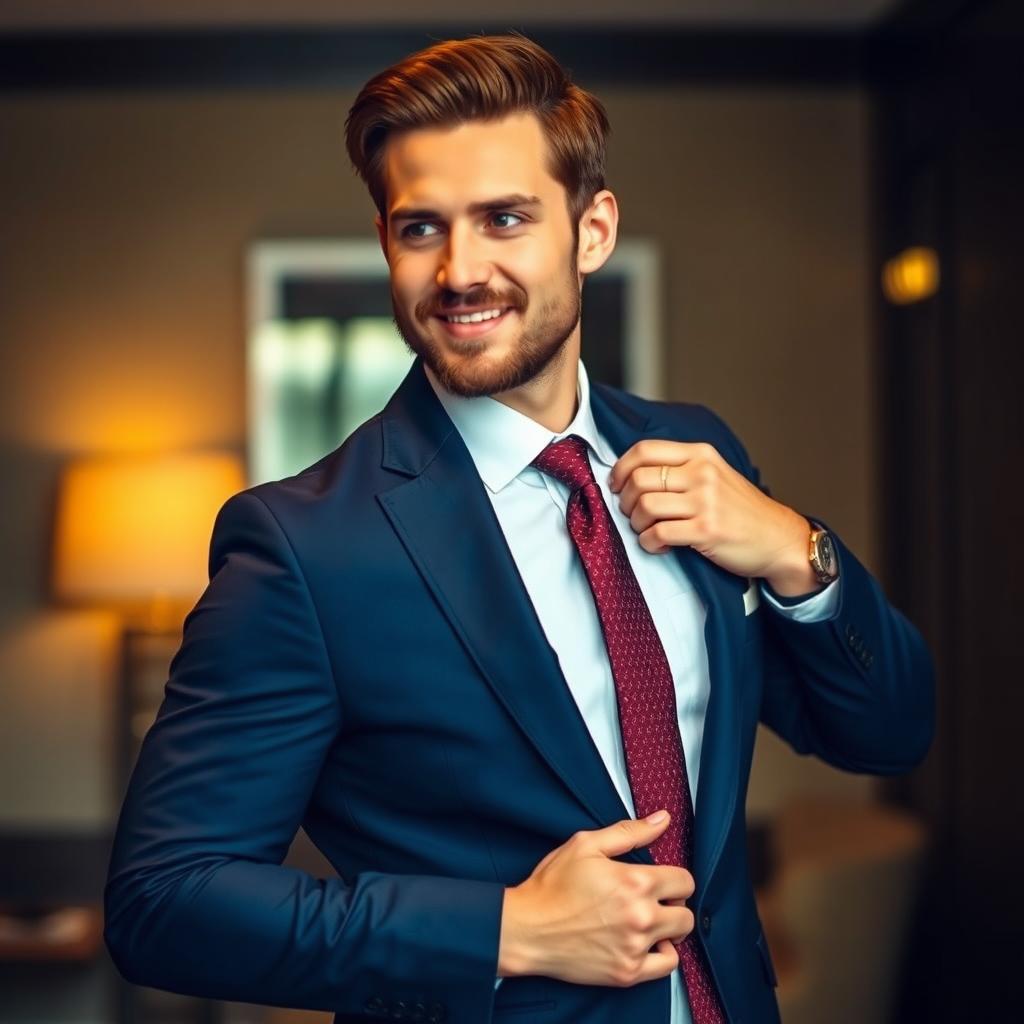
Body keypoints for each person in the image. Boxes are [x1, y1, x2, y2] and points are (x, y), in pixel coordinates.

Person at [104, 34, 934, 1024]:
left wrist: (799, 553)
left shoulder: (699, 453)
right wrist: (505, 928)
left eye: (504, 218)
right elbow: (163, 901)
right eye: (421, 229)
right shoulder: (302, 547)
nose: (460, 271)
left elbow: (889, 732)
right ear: (385, 242)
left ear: (591, 231)